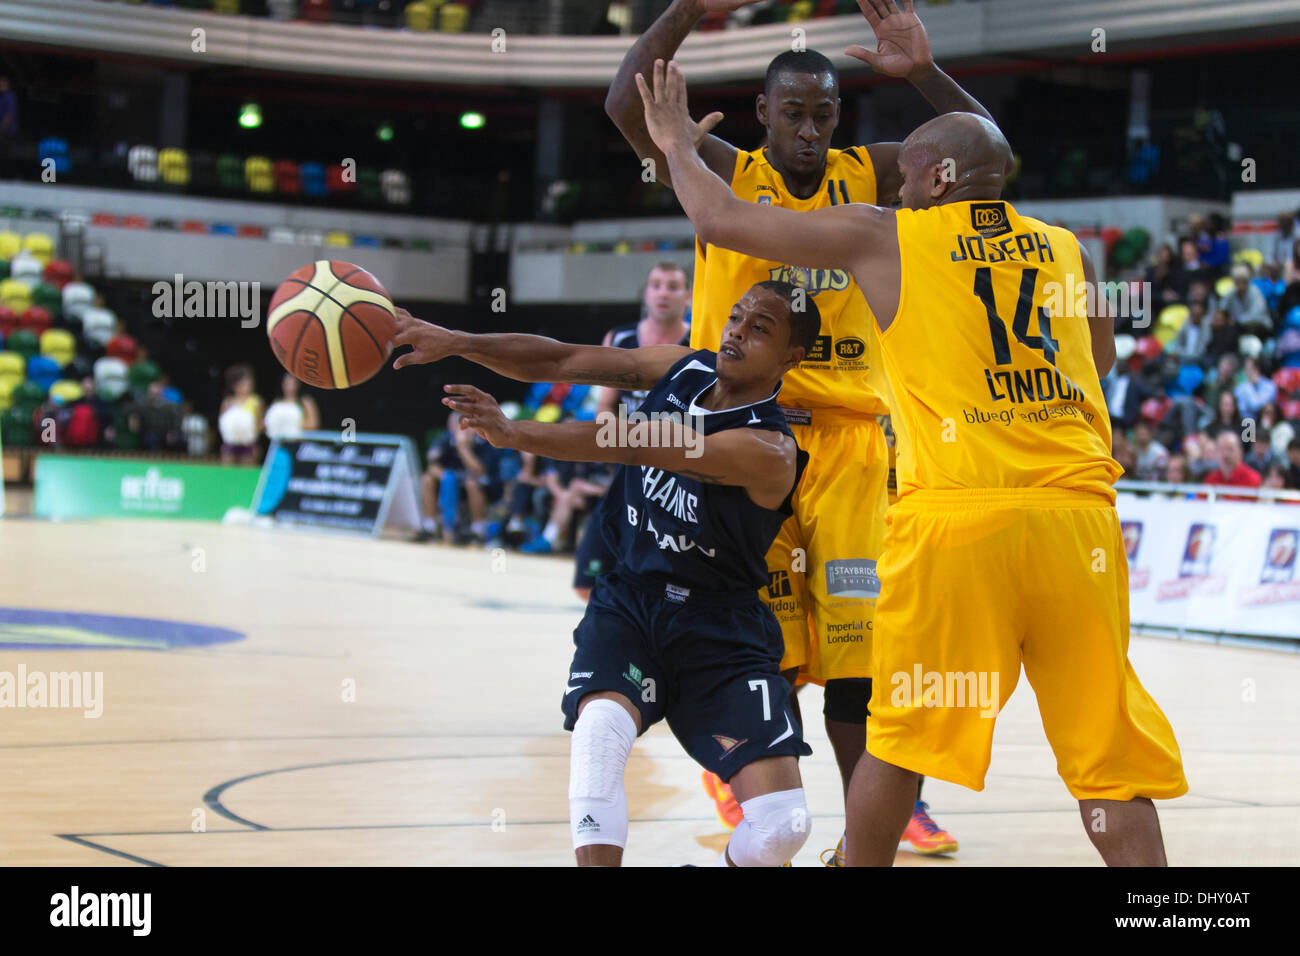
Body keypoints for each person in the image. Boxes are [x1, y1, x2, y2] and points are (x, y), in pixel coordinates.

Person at [638, 57, 1187, 865]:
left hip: (959, 524)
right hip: (1080, 526)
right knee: (1106, 758)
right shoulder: (1069, 252)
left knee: (897, 736)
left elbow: (720, 221)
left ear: (934, 176)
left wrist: (672, 144)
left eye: (909, 173)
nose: (897, 185)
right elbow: (1096, 360)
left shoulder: (887, 235)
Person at [606, 0, 991, 858]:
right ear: (765, 115)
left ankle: (881, 815)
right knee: (758, 645)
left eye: (824, 114)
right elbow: (626, 107)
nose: (811, 130)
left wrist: (923, 71)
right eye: (794, 114)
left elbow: (986, 155)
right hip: (748, 442)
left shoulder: (875, 173)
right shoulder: (726, 172)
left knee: (863, 655)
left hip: (854, 454)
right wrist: (683, 16)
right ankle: (748, 786)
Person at [391, 281, 820, 867]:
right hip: (633, 604)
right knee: (598, 735)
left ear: (792, 358)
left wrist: (516, 434)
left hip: (721, 631)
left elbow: (629, 440)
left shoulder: (769, 447)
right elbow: (562, 358)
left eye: (761, 327)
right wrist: (457, 341)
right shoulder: (682, 368)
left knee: (783, 827)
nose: (737, 331)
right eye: (737, 316)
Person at [572, 262, 693, 598]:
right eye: (656, 285)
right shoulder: (620, 338)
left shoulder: (698, 337)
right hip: (628, 467)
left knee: (670, 578)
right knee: (587, 580)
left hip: (678, 473)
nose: (663, 293)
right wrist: (610, 444)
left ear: (688, 295)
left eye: (672, 286)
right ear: (646, 293)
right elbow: (605, 405)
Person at [218, 364, 263, 464]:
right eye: (243, 383)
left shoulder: (256, 401)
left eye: (248, 383)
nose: (246, 386)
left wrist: (248, 431)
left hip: (249, 445)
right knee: (228, 474)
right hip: (230, 445)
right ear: (235, 385)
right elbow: (221, 424)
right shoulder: (227, 402)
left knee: (247, 475)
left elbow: (261, 425)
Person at [263, 372, 320, 441]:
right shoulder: (277, 402)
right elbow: (267, 422)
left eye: (291, 383)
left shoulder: (305, 401)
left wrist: (292, 425)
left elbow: (313, 424)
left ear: (297, 384)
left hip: (300, 443)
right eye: (286, 383)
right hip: (280, 443)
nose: (289, 386)